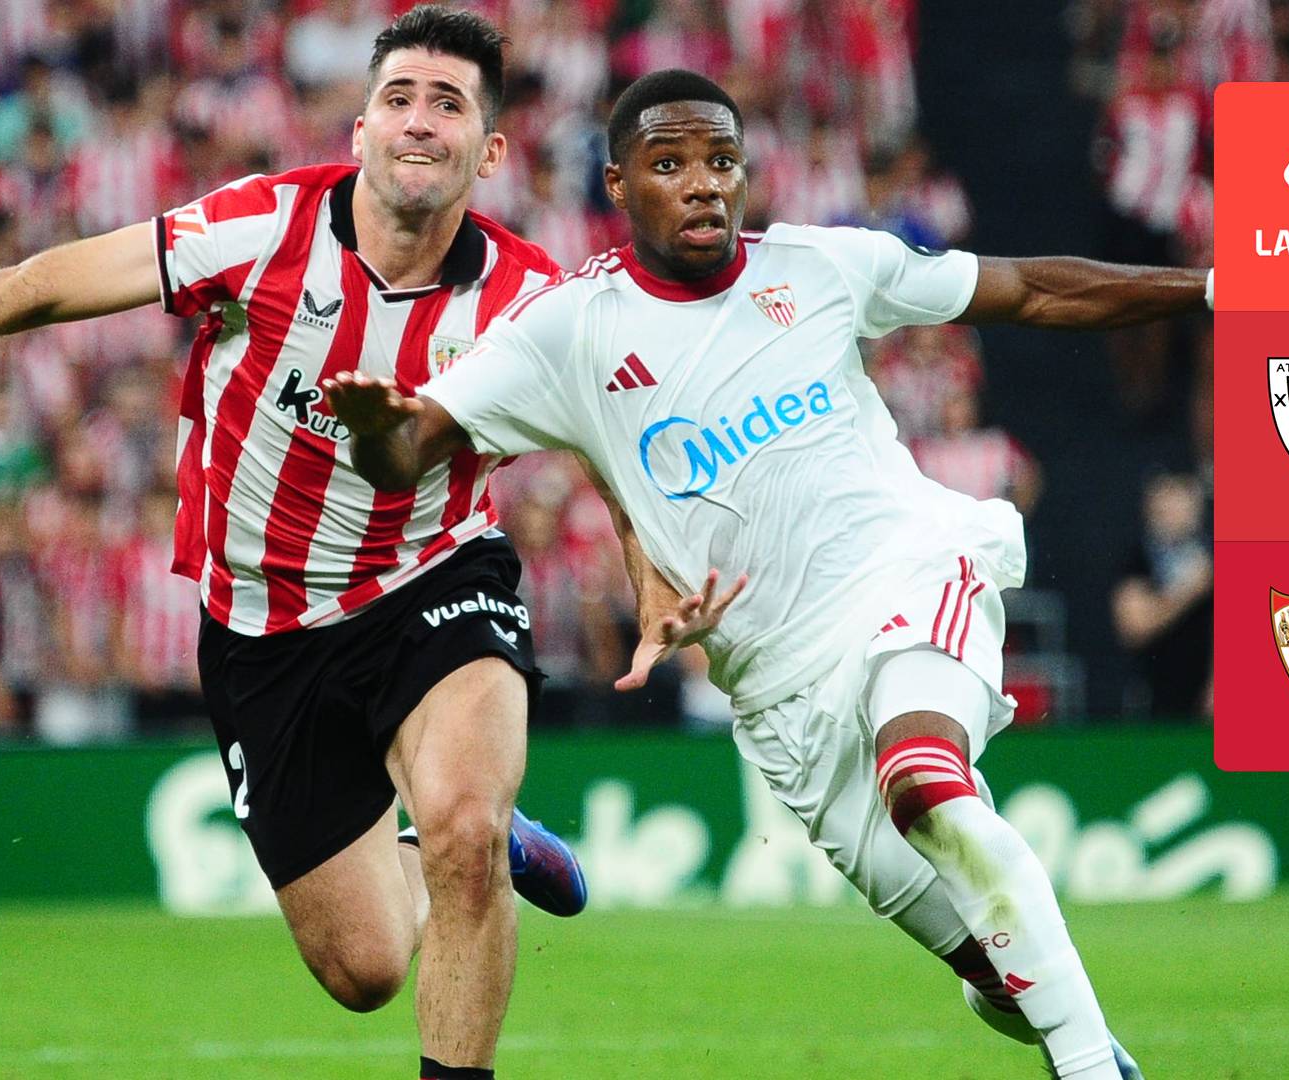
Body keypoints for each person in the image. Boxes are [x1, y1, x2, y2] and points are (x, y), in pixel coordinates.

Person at [0, 9, 596, 1079]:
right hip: (265, 630)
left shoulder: (531, 299)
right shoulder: (260, 229)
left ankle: (469, 826)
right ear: (360, 131)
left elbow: (615, 439)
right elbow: (36, 286)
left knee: (465, 837)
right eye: (400, 98)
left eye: (448, 104)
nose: (420, 121)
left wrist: (660, 576)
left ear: (491, 150)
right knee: (367, 969)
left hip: (434, 578)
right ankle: (459, 832)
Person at [326, 69, 1216, 1080]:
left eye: (722, 160)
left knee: (927, 782)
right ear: (617, 185)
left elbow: (1030, 288)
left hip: (904, 576)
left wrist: (1211, 289)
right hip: (783, 694)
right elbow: (413, 446)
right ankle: (1045, 1007)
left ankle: (1091, 1065)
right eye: (670, 164)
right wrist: (376, 432)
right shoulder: (569, 330)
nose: (703, 183)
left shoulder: (823, 266)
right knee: (1003, 971)